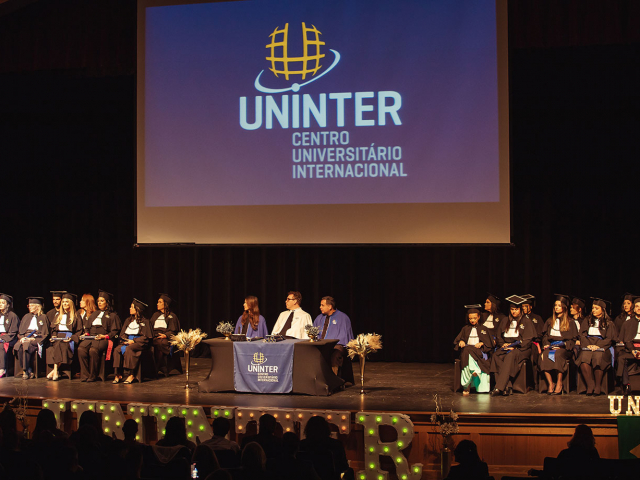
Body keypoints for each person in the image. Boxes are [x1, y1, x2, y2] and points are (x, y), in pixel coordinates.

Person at [490, 295, 535, 396]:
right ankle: (507, 386)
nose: (514, 311)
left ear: (520, 310)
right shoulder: (505, 320)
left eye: (516, 309)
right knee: (496, 356)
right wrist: (503, 344)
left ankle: (499, 387)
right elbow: (499, 336)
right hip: (507, 347)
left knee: (510, 355)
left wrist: (515, 346)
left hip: (521, 349)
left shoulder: (526, 321)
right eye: (512, 309)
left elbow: (527, 340)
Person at [78, 290, 121, 382]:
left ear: (107, 302)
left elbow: (114, 331)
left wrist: (104, 336)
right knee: (81, 349)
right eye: (98, 301)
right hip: (92, 337)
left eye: (102, 301)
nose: (99, 303)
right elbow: (87, 327)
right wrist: (86, 334)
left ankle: (93, 375)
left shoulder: (113, 316)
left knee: (93, 350)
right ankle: (85, 375)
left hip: (103, 338)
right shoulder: (94, 314)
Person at [539, 295, 578, 394]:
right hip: (551, 346)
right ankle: (551, 383)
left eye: (559, 305)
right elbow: (545, 336)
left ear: (564, 308)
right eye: (555, 305)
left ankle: (559, 382)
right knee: (544, 356)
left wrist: (562, 345)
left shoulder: (570, 322)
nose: (556, 307)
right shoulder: (549, 321)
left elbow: (573, 340)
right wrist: (546, 344)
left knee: (558, 354)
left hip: (564, 349)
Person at [576, 298, 616, 395]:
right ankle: (590, 385)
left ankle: (598, 386)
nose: (593, 310)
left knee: (598, 357)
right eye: (593, 308)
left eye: (596, 308)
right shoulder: (587, 320)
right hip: (588, 345)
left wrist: (597, 346)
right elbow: (582, 335)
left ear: (602, 310)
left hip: (602, 347)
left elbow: (609, 339)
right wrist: (588, 345)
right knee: (583, 357)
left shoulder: (609, 323)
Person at [454, 304, 493, 395]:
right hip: (467, 352)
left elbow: (489, 344)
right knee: (467, 350)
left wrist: (482, 343)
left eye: (474, 318)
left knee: (468, 350)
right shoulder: (465, 329)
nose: (472, 320)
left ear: (479, 317)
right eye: (470, 318)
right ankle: (474, 370)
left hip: (479, 352)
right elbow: (458, 340)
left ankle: (467, 386)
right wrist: (461, 342)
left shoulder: (484, 329)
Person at [113, 298, 153, 384]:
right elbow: (122, 334)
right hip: (128, 341)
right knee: (117, 349)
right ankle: (118, 374)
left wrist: (134, 341)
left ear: (137, 309)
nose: (129, 309)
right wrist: (124, 340)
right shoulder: (128, 320)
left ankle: (131, 374)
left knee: (129, 349)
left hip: (139, 343)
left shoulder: (145, 321)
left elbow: (146, 338)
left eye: (132, 307)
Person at [313, 296, 354, 376]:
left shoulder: (343, 318)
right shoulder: (319, 318)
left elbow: (343, 336)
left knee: (335, 355)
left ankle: (333, 381)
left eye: (322, 305)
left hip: (337, 346)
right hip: (321, 345)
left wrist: (330, 345)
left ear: (330, 306)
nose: (320, 307)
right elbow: (314, 333)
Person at [46, 292, 81, 381]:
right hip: (58, 337)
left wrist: (71, 338)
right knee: (57, 344)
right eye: (63, 302)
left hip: (68, 338)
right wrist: (53, 336)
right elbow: (53, 330)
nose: (64, 304)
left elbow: (79, 331)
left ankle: (55, 370)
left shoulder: (76, 316)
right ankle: (55, 370)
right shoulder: (58, 315)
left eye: (67, 302)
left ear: (71, 303)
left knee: (61, 345)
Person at [14, 296, 49, 379]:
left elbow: (45, 334)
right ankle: (28, 369)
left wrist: (32, 339)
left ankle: (25, 371)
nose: (29, 307)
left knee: (27, 345)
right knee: (18, 346)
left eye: (31, 305)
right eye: (29, 306)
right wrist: (21, 337)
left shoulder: (43, 317)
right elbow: (21, 331)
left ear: (37, 306)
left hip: (35, 338)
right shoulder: (26, 316)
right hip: (26, 337)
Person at [150, 293, 181, 375]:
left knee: (162, 343)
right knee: (157, 343)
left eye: (160, 302)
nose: (157, 304)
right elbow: (150, 327)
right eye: (157, 302)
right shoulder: (155, 315)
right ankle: (160, 366)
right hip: (155, 336)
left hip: (165, 338)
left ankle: (159, 366)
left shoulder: (172, 316)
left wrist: (165, 335)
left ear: (165, 304)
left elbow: (174, 331)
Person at [617, 297, 640, 395]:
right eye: (637, 306)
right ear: (634, 309)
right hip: (632, 349)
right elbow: (627, 340)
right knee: (622, 358)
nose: (639, 308)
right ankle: (626, 384)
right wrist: (633, 351)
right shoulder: (628, 323)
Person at [0, 294, 20, 378]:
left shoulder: (13, 316)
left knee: (1, 345)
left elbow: (13, 332)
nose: (0, 304)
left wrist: (2, 338)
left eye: (2, 303)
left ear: (8, 305)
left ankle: (2, 369)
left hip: (10, 339)